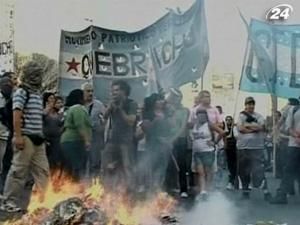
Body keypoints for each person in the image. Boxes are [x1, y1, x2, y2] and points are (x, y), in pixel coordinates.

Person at [1, 61, 49, 212]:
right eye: (35, 74)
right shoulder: (21, 92)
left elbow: (38, 116)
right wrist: (18, 136)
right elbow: (17, 113)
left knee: (43, 171)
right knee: (19, 170)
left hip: (38, 139)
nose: (38, 77)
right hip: (26, 137)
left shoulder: (37, 94)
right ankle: (9, 201)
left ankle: (44, 201)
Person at [102, 80, 137, 192]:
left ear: (124, 91)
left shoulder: (131, 103)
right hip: (112, 140)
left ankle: (130, 191)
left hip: (126, 141)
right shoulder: (112, 103)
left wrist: (120, 109)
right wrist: (109, 107)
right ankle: (107, 190)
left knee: (127, 167)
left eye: (116, 90)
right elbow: (104, 117)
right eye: (112, 90)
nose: (114, 93)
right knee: (107, 165)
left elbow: (131, 121)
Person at [236, 97, 270, 200]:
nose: (250, 106)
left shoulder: (258, 116)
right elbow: (240, 128)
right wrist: (253, 128)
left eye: (252, 104)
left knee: (258, 170)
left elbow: (262, 127)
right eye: (248, 104)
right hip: (243, 147)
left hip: (257, 147)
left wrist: (248, 126)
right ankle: (245, 191)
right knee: (244, 171)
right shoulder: (241, 116)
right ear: (245, 105)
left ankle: (266, 191)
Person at [142, 93, 173, 193]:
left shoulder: (167, 113)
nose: (161, 102)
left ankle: (159, 187)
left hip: (164, 145)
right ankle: (149, 188)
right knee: (151, 166)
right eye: (158, 100)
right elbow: (146, 128)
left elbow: (171, 128)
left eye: (162, 100)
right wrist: (156, 121)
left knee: (162, 167)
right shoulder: (148, 113)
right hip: (152, 143)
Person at [271, 99, 300, 204]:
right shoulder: (293, 110)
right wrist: (295, 135)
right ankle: (281, 195)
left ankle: (283, 194)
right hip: (294, 145)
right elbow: (288, 127)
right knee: (288, 170)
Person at [60, 89, 92, 182]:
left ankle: (70, 187)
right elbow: (80, 125)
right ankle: (75, 188)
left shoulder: (72, 109)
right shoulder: (78, 108)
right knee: (77, 167)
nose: (88, 95)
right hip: (74, 141)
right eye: (85, 93)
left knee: (71, 167)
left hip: (70, 142)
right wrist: (86, 140)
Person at [191, 109, 223, 201]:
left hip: (208, 151)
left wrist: (214, 142)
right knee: (200, 173)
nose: (201, 117)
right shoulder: (195, 125)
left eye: (203, 115)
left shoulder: (209, 125)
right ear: (197, 116)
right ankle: (203, 191)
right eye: (199, 115)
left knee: (208, 171)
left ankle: (208, 190)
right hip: (197, 152)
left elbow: (222, 132)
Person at [165, 88, 190, 198]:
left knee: (182, 165)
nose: (172, 99)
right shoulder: (167, 110)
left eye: (174, 97)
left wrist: (173, 139)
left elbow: (183, 127)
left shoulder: (184, 110)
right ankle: (169, 187)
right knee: (168, 165)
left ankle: (183, 189)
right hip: (168, 140)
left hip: (180, 140)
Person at [81, 83, 106, 179]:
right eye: (88, 91)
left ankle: (94, 185)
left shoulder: (99, 105)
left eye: (92, 91)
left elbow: (106, 118)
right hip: (81, 136)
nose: (90, 93)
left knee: (95, 162)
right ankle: (81, 184)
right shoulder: (79, 104)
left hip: (95, 136)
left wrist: (102, 127)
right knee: (82, 162)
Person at [43, 92, 64, 171]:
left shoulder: (58, 114)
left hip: (56, 140)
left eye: (53, 98)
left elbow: (61, 125)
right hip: (46, 140)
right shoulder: (45, 111)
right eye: (50, 98)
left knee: (55, 160)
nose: (53, 100)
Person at [224, 116, 238, 190]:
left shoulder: (235, 128)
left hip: (235, 148)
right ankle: (231, 181)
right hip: (227, 149)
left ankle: (234, 182)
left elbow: (237, 137)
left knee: (235, 165)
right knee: (230, 165)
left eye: (230, 120)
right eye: (227, 120)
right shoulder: (225, 128)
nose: (228, 121)